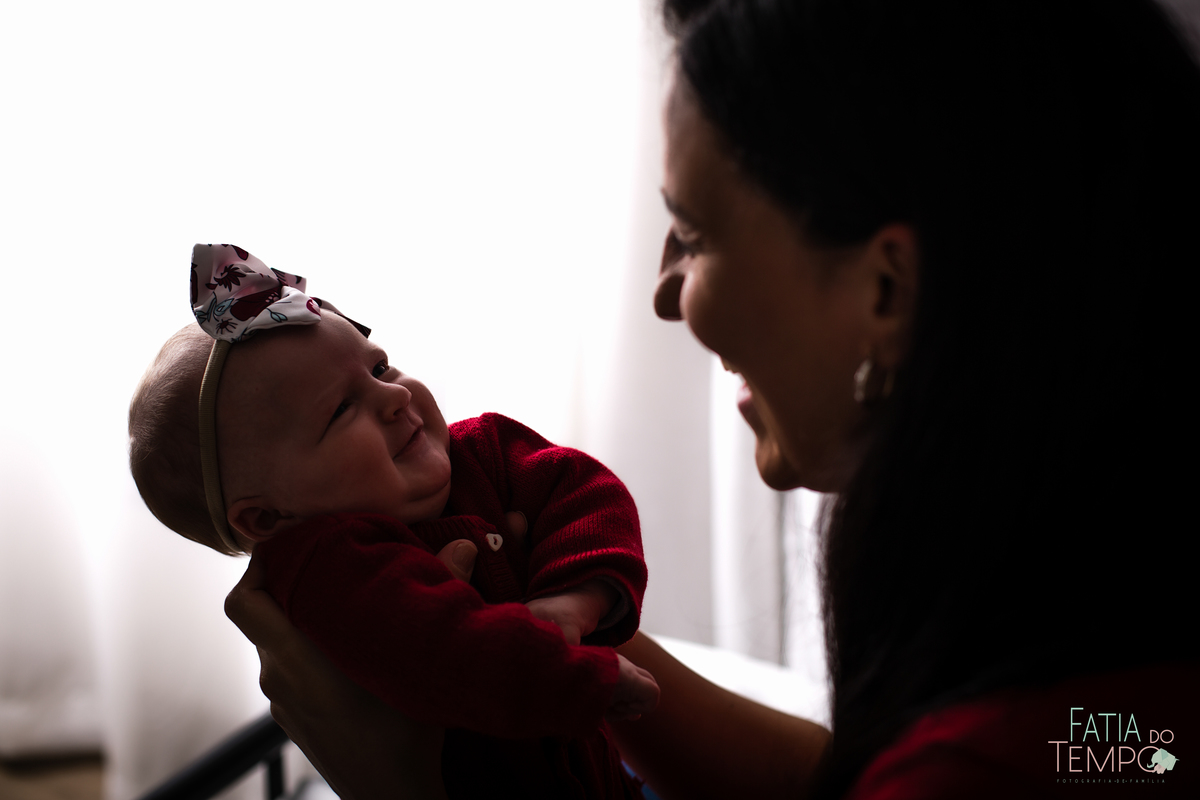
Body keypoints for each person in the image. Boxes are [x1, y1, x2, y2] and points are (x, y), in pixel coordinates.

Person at [225, 0, 1200, 796]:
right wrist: (552, 623)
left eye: (692, 231)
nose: (662, 290)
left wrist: (402, 787)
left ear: (885, 292)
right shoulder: (1115, 713)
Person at [129, 244, 658, 799]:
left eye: (379, 367)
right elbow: (445, 649)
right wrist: (572, 679)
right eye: (340, 409)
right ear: (268, 516)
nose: (394, 395)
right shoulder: (328, 569)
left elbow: (588, 493)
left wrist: (576, 600)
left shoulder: (482, 449)